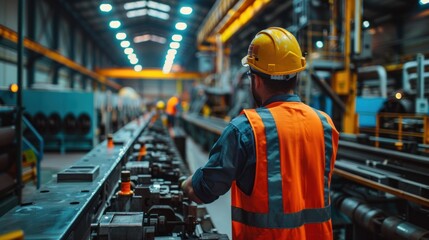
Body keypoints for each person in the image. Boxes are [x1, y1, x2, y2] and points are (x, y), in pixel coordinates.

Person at [181, 27, 339, 239]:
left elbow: (203, 191)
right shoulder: (325, 125)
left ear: (255, 78)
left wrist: (185, 183)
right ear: (296, 75)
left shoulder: (246, 129)